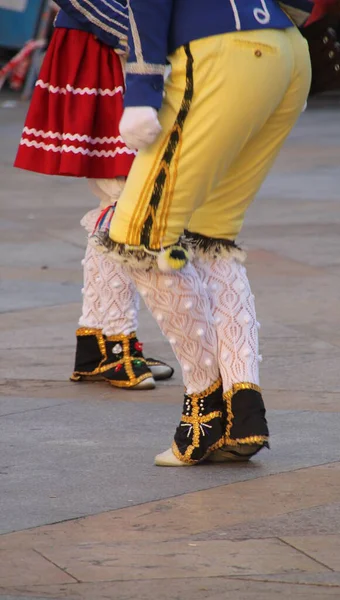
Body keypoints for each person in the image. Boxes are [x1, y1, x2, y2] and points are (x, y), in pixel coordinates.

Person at [91, 0, 312, 465]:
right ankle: (245, 411)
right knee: (214, 240)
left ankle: (205, 411)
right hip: (287, 49)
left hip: (220, 53)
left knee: (137, 237)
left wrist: (142, 95)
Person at [14, 0, 173, 390]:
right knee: (125, 197)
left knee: (121, 199)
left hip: (122, 46)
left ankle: (101, 344)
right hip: (106, 43)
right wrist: (139, 38)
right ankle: (113, 343)